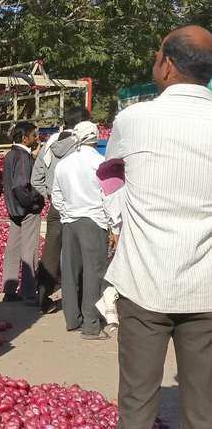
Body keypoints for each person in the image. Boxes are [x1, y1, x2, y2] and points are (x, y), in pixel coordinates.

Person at [105, 25, 212, 428]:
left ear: (167, 65)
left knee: (136, 402)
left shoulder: (134, 119)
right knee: (203, 408)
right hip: (206, 289)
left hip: (144, 283)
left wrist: (122, 215)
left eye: (157, 55)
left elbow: (111, 175)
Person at [50, 121, 110, 340]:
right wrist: (113, 224)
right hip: (94, 221)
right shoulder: (101, 163)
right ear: (95, 137)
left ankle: (72, 319)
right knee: (94, 273)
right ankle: (91, 324)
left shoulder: (63, 165)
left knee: (70, 271)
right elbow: (109, 196)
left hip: (70, 221)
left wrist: (67, 213)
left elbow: (56, 196)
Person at [30, 106, 89, 313]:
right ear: (84, 124)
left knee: (51, 251)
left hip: (56, 205)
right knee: (80, 253)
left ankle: (42, 297)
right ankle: (79, 303)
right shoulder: (83, 145)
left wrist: (50, 194)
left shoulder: (50, 144)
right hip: (79, 206)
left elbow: (35, 177)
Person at [0, 121, 44, 303]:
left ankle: (9, 290)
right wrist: (34, 202)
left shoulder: (10, 155)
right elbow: (21, 186)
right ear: (25, 138)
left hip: (13, 210)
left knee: (13, 248)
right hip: (26, 210)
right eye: (34, 135)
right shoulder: (22, 157)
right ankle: (28, 292)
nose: (37, 138)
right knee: (29, 250)